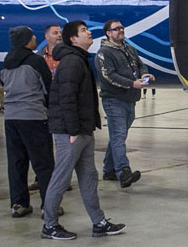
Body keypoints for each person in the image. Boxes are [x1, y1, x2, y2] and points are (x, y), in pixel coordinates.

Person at [42, 20, 124, 240]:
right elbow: (66, 99)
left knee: (89, 177)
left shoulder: (79, 60)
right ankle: (49, 225)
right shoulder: (71, 62)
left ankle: (99, 222)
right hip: (72, 131)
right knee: (61, 178)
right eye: (83, 31)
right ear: (73, 39)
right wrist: (72, 131)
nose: (89, 33)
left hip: (83, 129)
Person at [0, 26, 55, 218]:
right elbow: (48, 87)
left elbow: (3, 85)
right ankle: (49, 205)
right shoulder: (36, 61)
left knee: (16, 162)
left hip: (11, 117)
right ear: (26, 40)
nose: (34, 38)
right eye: (32, 36)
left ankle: (19, 203)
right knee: (43, 163)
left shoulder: (6, 63)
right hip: (33, 116)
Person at [95, 20, 151, 189]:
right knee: (119, 136)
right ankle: (123, 171)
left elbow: (141, 64)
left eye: (122, 27)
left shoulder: (128, 48)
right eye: (116, 29)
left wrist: (145, 75)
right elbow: (109, 76)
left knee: (118, 137)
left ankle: (109, 169)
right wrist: (132, 83)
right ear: (108, 33)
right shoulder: (104, 53)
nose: (120, 30)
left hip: (130, 100)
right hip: (114, 100)